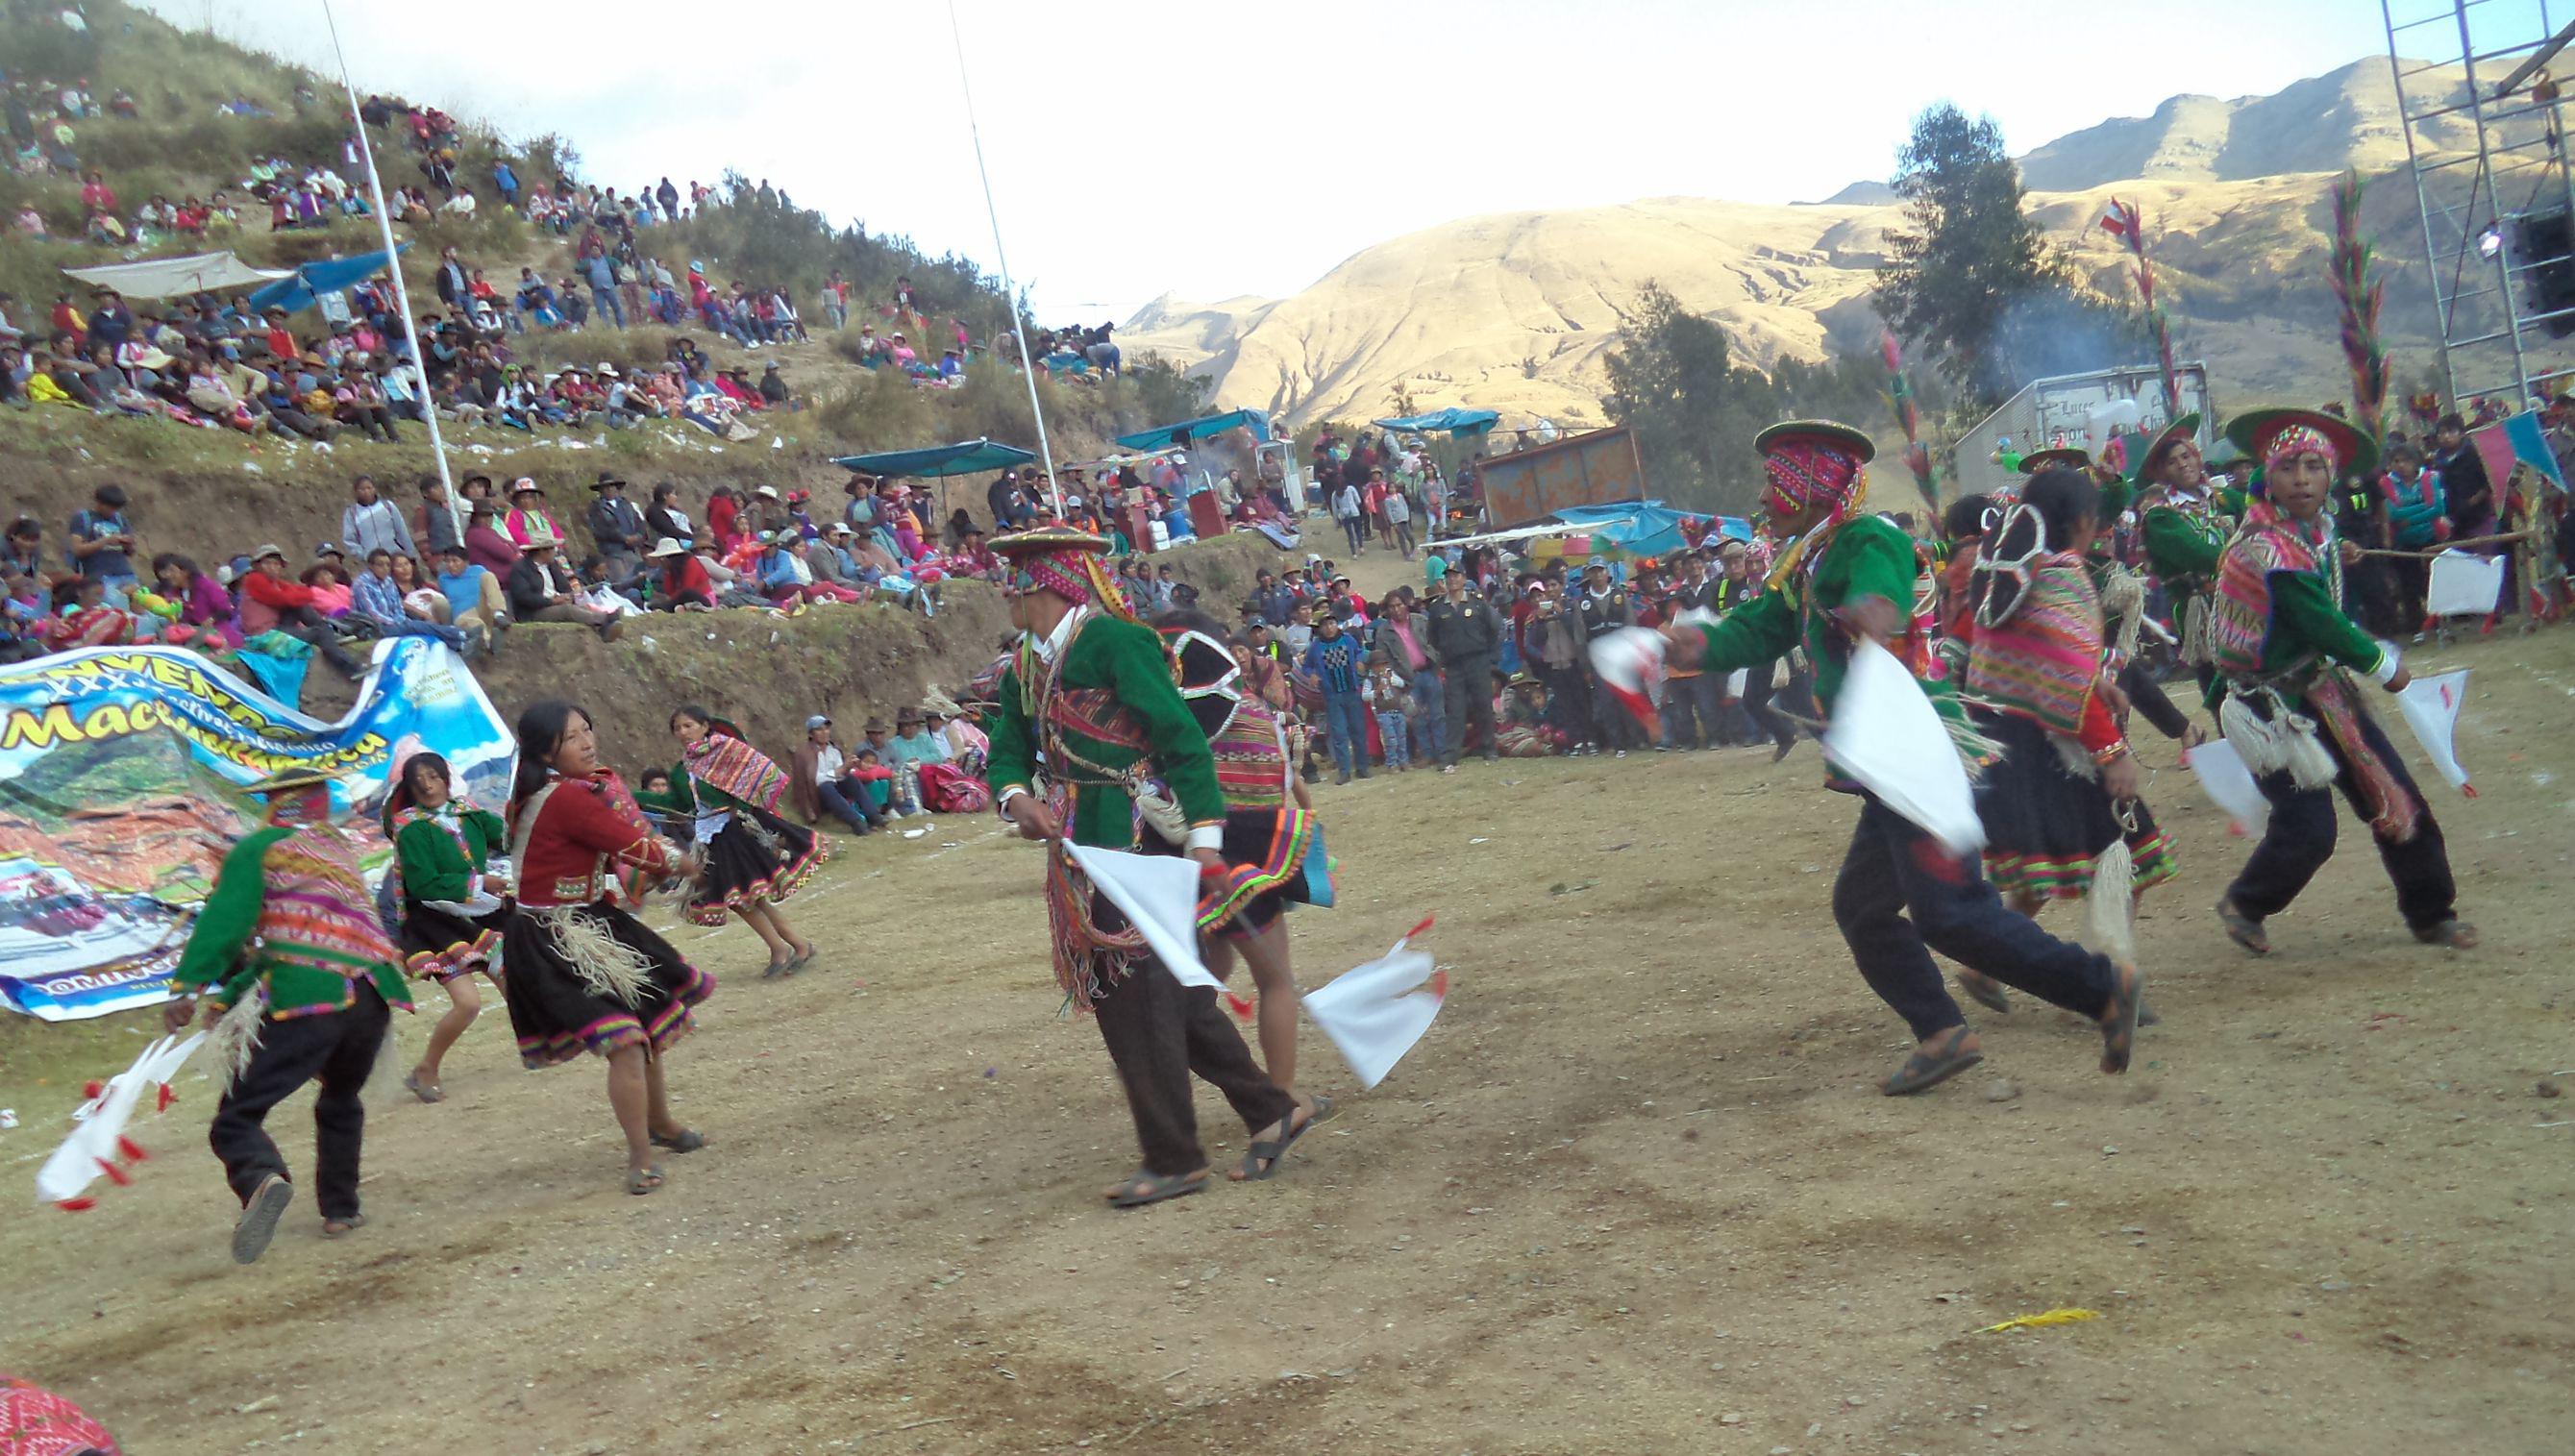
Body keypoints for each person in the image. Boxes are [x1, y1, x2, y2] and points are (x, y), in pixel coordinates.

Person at [1664, 420, 2144, 1096]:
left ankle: (2100, 987)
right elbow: (1764, 627)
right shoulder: (1808, 557)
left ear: (1811, 484)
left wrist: (1874, 607)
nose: (1765, 498)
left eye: (1775, 483)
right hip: (1883, 760)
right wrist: (1704, 646)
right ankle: (1943, 1031)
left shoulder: (1867, 538)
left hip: (1913, 748)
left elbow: (1883, 582)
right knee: (1863, 908)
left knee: (1950, 912)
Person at [985, 526, 1316, 1207]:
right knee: (1170, 997)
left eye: (1012, 582)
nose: (1004, 595)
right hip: (1081, 849)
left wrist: (1205, 836)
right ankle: (1270, 1110)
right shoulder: (1024, 665)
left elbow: (1181, 739)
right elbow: (1006, 749)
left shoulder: (1118, 642)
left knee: (1131, 998)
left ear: (1043, 585)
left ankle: (1174, 1158)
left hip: (1138, 842)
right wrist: (1017, 796)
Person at [2206, 408, 2474, 954]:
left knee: (2393, 793)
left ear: (2330, 476)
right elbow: (2319, 621)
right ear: (2269, 477)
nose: (2301, 479)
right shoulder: (2268, 546)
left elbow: (2317, 597)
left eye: (2313, 467)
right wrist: (2386, 667)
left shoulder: (2312, 533)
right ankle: (2246, 903)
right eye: (2288, 468)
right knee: (2310, 828)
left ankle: (2432, 913)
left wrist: (2333, 553)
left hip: (2319, 689)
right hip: (2270, 706)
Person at [161, 763, 414, 1262]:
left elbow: (226, 921)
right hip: (374, 993)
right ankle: (341, 1210)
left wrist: (188, 986)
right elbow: (294, 941)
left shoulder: (259, 849)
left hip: (313, 997)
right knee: (340, 1098)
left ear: (276, 802)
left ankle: (262, 1178)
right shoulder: (336, 849)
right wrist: (230, 997)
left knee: (235, 1119)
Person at [1951, 469, 2182, 1012]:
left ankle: (1987, 963)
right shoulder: (2062, 577)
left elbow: (2038, 657)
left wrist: (2096, 680)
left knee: (2045, 860)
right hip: (2057, 746)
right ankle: (2108, 980)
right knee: (2127, 854)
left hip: (2009, 741)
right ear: (2083, 521)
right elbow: (2063, 677)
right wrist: (2112, 753)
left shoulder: (2009, 573)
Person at [501, 702, 712, 1195]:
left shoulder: (549, 792)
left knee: (645, 1025)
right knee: (625, 1040)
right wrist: (688, 865)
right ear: (546, 751)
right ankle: (641, 1158)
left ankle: (660, 1124)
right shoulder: (564, 799)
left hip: (590, 921)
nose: (587, 742)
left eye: (587, 730)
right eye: (572, 736)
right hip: (555, 938)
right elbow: (633, 846)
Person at [1157, 608, 1332, 1113]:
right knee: (1275, 981)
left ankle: (1168, 1085)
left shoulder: (1156, 718)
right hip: (1247, 862)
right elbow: (1280, 783)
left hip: (1180, 864)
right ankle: (1282, 1096)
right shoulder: (1254, 714)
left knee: (1196, 980)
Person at [382, 752, 512, 1102]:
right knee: (468, 1004)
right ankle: (427, 1068)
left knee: (512, 982)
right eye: (418, 781)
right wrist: (481, 882)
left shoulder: (467, 812)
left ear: (445, 778)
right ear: (410, 789)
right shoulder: (411, 828)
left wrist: (524, 812)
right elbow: (424, 884)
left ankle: (541, 1043)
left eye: (433, 776)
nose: (427, 785)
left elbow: (506, 838)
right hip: (436, 922)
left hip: (477, 913)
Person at [666, 706, 824, 976]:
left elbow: (760, 773)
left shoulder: (724, 750)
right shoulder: (683, 768)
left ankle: (787, 947)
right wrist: (630, 800)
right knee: (744, 898)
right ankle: (792, 946)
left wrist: (740, 807)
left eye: (688, 725)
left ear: (705, 726)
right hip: (711, 838)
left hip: (734, 832)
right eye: (677, 728)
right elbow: (678, 803)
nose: (683, 732)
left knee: (743, 896)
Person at [1424, 566, 1501, 769]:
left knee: (1483, 705)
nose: (1452, 580)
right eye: (1448, 576)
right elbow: (1433, 637)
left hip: (1478, 661)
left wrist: (1490, 657)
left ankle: (1489, 748)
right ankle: (1451, 754)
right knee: (1455, 710)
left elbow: (1493, 629)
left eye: (1455, 575)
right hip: (1454, 665)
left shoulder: (1477, 603)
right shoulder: (1438, 608)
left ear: (1464, 578)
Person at [506, 526, 623, 639]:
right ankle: (606, 619)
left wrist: (567, 596)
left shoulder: (552, 565)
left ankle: (604, 627)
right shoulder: (521, 568)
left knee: (582, 609)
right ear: (542, 551)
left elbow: (564, 586)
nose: (555, 552)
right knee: (568, 610)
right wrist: (551, 601)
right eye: (553, 549)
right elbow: (524, 597)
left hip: (554, 604)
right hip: (533, 612)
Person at [1299, 610, 1370, 784]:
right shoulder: (1315, 647)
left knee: (1358, 730)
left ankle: (1362, 767)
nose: (1329, 628)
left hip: (1352, 691)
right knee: (1339, 734)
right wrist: (1312, 675)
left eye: (1331, 623)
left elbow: (1360, 651)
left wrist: (1359, 660)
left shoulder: (1348, 639)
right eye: (1325, 625)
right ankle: (1344, 771)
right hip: (1332, 695)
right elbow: (1306, 666)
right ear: (1319, 628)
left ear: (1336, 624)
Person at [790, 713, 883, 833]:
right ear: (811, 734)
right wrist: (842, 769)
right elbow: (815, 780)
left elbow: (841, 774)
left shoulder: (833, 749)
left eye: (826, 729)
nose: (824, 733)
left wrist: (849, 767)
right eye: (819, 730)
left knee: (851, 780)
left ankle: (874, 816)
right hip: (817, 796)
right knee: (826, 787)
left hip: (834, 790)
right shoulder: (803, 753)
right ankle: (856, 822)